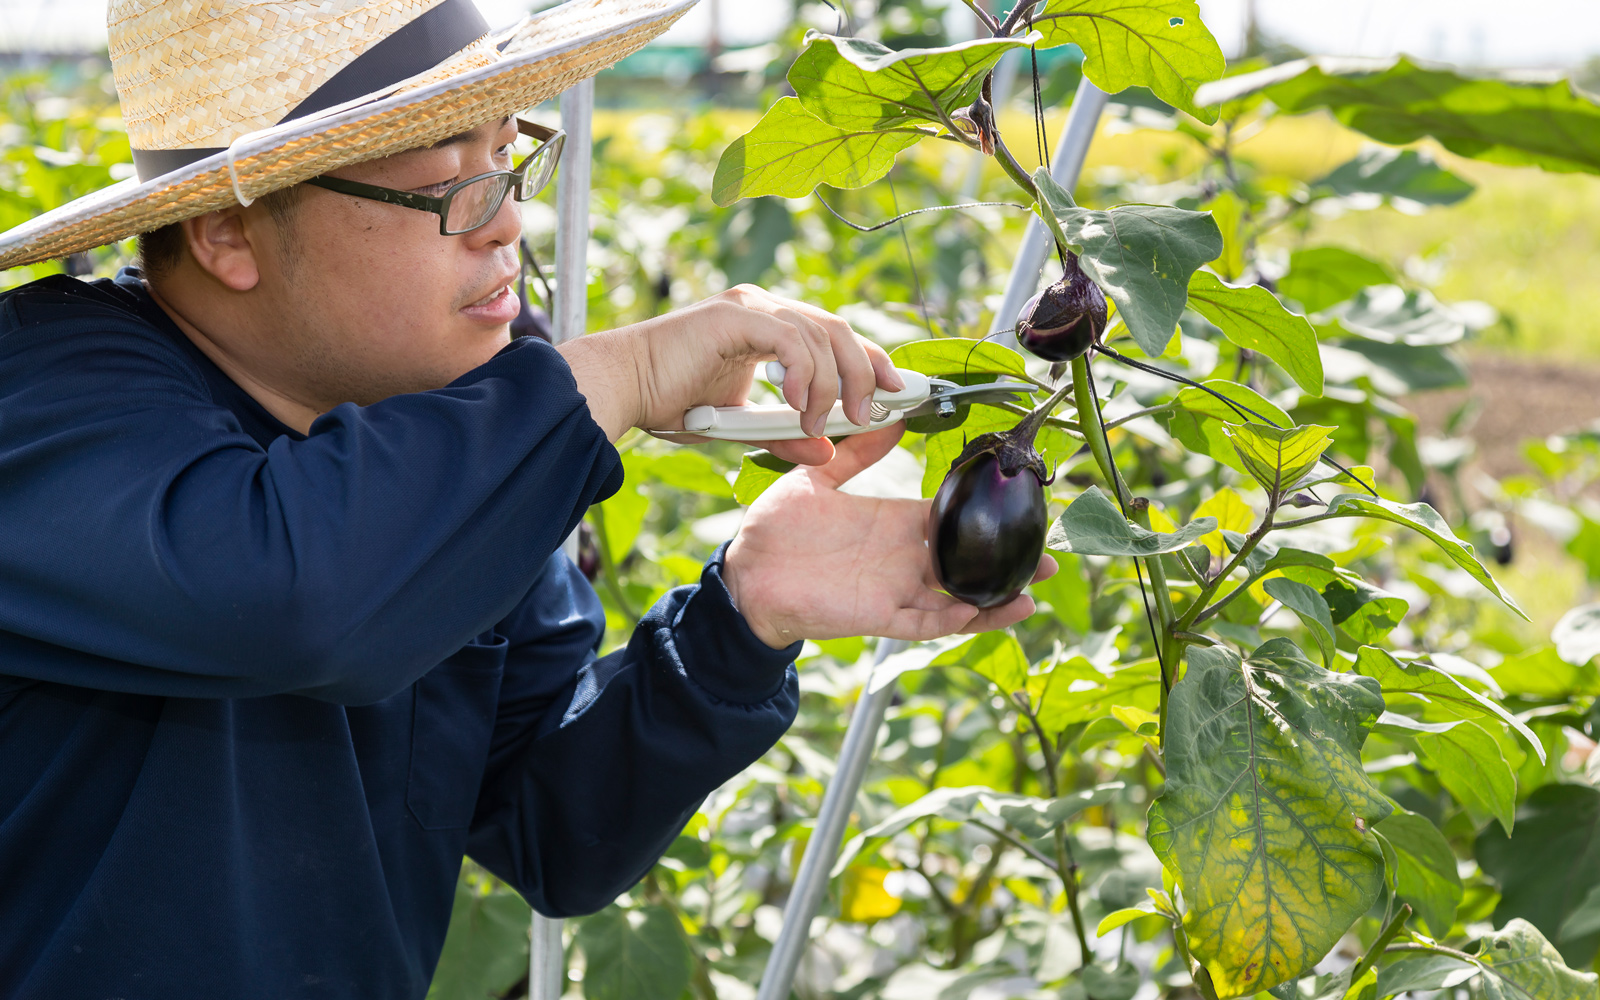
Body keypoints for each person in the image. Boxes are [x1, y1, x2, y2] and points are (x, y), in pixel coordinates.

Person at [0, 0, 1054, 996]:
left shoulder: (455, 421)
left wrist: (742, 616)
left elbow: (552, 821)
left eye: (507, 157)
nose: (506, 224)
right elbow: (291, 597)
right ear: (226, 235)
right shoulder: (43, 393)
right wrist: (623, 378)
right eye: (448, 185)